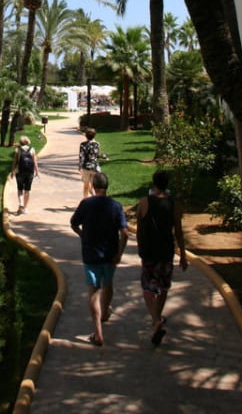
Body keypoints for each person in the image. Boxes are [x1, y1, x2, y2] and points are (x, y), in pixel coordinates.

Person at [70, 171, 129, 346]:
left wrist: (83, 235)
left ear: (93, 187)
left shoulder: (86, 204)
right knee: (108, 284)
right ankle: (104, 314)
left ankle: (97, 332)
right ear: (107, 186)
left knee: (94, 290)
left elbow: (73, 223)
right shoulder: (116, 206)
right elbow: (125, 233)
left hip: (91, 254)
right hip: (110, 254)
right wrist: (119, 253)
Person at [136, 169, 188, 345]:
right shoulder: (174, 205)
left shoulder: (145, 202)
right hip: (166, 251)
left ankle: (156, 320)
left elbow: (139, 226)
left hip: (149, 252)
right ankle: (156, 319)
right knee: (164, 287)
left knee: (148, 287)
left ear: (154, 183)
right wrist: (183, 255)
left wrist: (140, 246)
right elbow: (179, 232)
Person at [11, 135, 39, 214]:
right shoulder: (32, 149)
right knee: (27, 190)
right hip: (29, 172)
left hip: (20, 172)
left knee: (20, 189)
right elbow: (35, 162)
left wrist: (12, 171)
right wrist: (37, 172)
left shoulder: (17, 150)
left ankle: (21, 203)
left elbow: (15, 162)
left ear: (20, 142)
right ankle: (25, 208)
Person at [78, 127, 101, 198]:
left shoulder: (82, 144)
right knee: (95, 185)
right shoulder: (97, 144)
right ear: (94, 135)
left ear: (86, 135)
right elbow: (97, 155)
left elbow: (81, 156)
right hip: (95, 167)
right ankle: (95, 200)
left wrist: (80, 167)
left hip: (86, 167)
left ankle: (85, 200)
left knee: (86, 185)